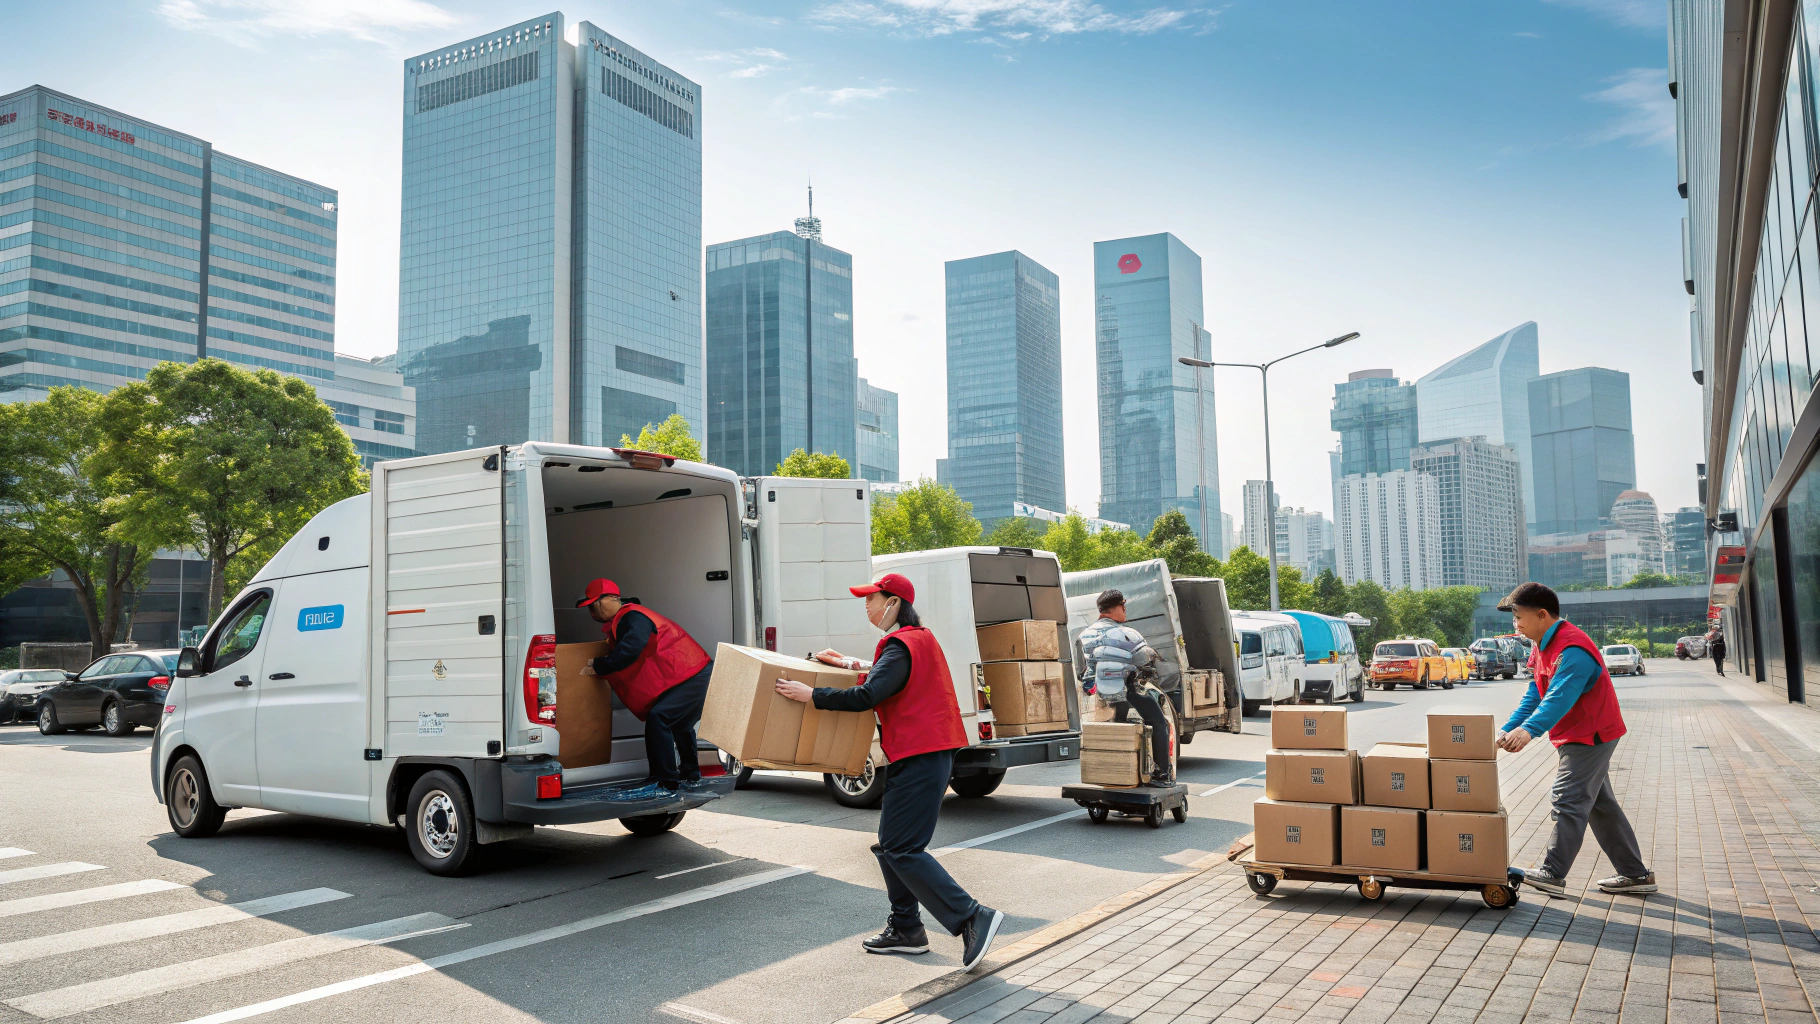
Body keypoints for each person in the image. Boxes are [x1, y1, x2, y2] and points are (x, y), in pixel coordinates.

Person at [772, 572, 1006, 972]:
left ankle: (971, 916)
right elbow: (885, 678)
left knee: (901, 848)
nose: (867, 607)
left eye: (872, 599)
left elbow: (869, 694)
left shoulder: (900, 645)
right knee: (889, 846)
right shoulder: (918, 639)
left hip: (920, 754)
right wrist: (846, 662)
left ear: (894, 602)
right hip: (921, 754)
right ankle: (906, 929)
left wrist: (813, 695)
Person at [1495, 582, 1655, 897]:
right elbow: (1536, 692)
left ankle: (1553, 873)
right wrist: (1509, 726)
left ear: (1542, 615)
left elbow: (1559, 698)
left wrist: (1528, 731)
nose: (1515, 624)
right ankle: (1635, 874)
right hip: (1576, 734)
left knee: (1568, 799)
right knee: (1599, 805)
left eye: (1518, 616)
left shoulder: (1572, 649)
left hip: (1591, 736)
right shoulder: (1542, 644)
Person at [575, 578, 715, 800]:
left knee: (659, 718)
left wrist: (600, 665)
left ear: (611, 599)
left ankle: (665, 782)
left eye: (594, 605)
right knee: (678, 722)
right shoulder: (629, 617)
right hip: (695, 673)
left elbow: (631, 649)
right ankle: (689, 774)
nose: (592, 612)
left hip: (693, 674)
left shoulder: (633, 616)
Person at [1074, 589, 1172, 786]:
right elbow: (1145, 662)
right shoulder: (1128, 634)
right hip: (1128, 692)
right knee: (1159, 723)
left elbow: (1080, 670)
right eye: (1123, 606)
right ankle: (1162, 775)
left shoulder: (1083, 636)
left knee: (1114, 727)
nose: (1125, 610)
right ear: (1115, 608)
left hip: (1095, 698)